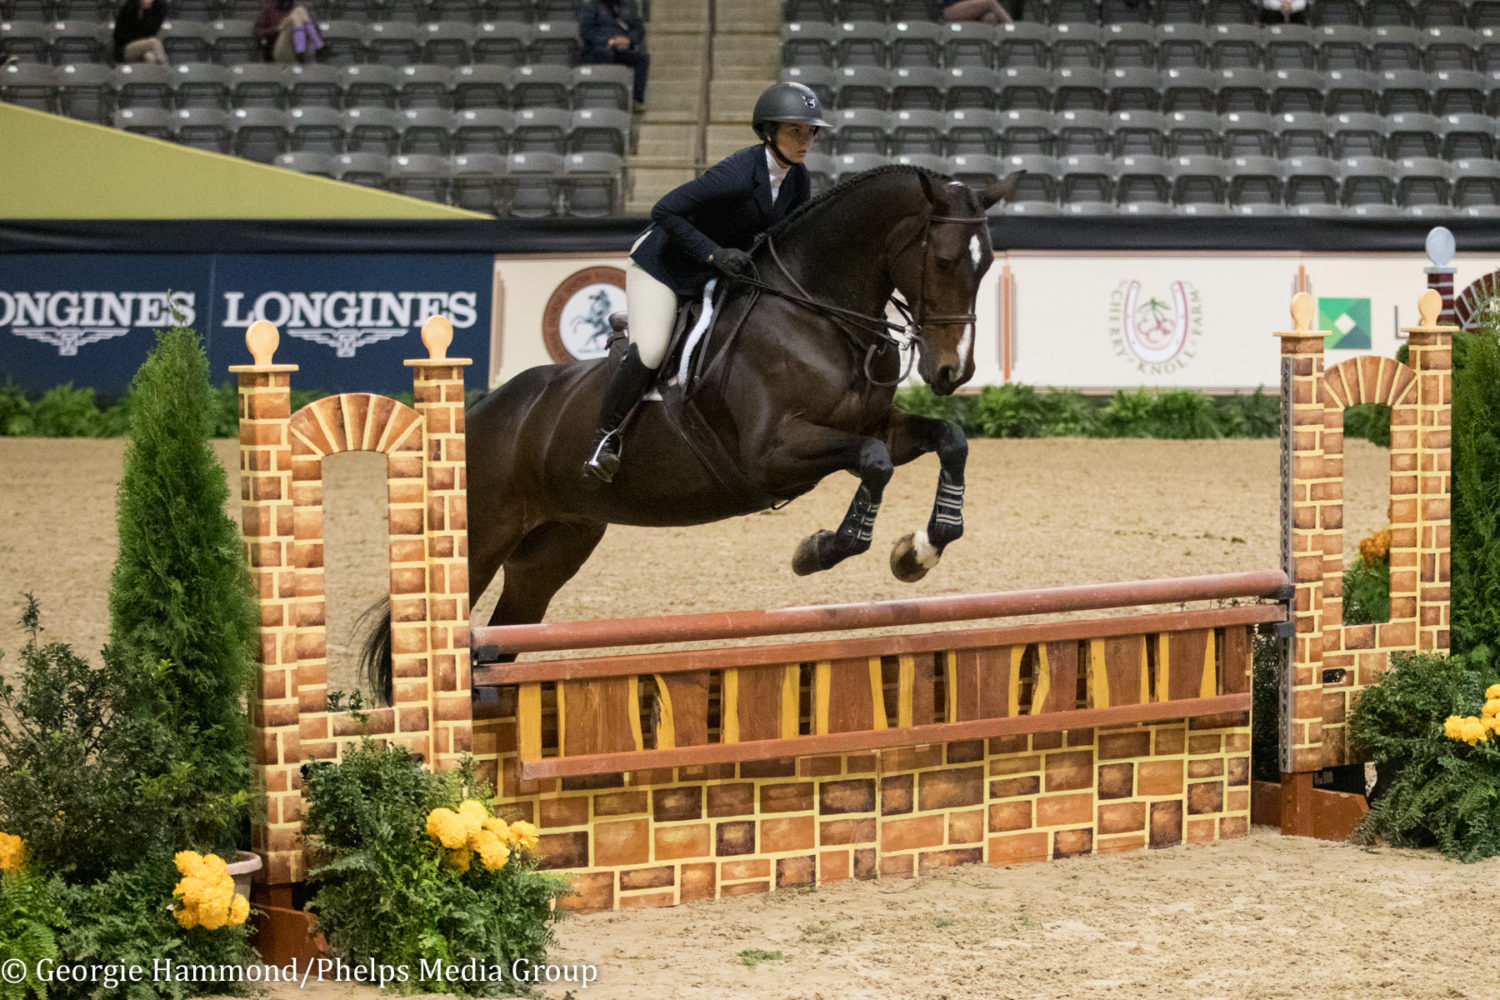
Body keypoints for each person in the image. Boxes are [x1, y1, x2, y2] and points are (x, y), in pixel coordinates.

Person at [582, 81, 828, 484]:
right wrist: (715, 253)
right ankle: (603, 440)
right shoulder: (736, 174)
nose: (805, 141)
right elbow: (665, 211)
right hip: (664, 267)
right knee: (652, 351)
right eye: (795, 131)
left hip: (719, 273)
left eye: (810, 132)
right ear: (769, 132)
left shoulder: (798, 180)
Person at [579, 0, 650, 111]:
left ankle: (636, 99)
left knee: (642, 59)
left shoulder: (629, 5)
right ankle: (607, 98)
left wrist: (628, 40)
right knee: (604, 54)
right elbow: (586, 31)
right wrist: (608, 41)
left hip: (621, 49)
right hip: (598, 49)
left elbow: (639, 29)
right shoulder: (591, 6)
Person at [254, 0, 323, 63]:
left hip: (303, 50)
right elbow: (258, 31)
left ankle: (301, 50)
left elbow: (317, 29)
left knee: (300, 10)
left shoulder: (297, 9)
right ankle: (315, 44)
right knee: (294, 17)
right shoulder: (268, 10)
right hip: (281, 49)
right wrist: (278, 28)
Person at [112, 0, 168, 65]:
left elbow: (151, 32)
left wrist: (145, 13)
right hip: (125, 49)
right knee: (153, 42)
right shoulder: (128, 10)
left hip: (144, 46)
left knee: (150, 57)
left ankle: (152, 74)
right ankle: (166, 69)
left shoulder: (155, 11)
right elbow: (121, 36)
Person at [939, 0, 1014, 25]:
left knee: (990, 18)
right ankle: (1014, 30)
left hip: (975, 12)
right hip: (951, 10)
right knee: (990, 3)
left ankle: (987, 58)